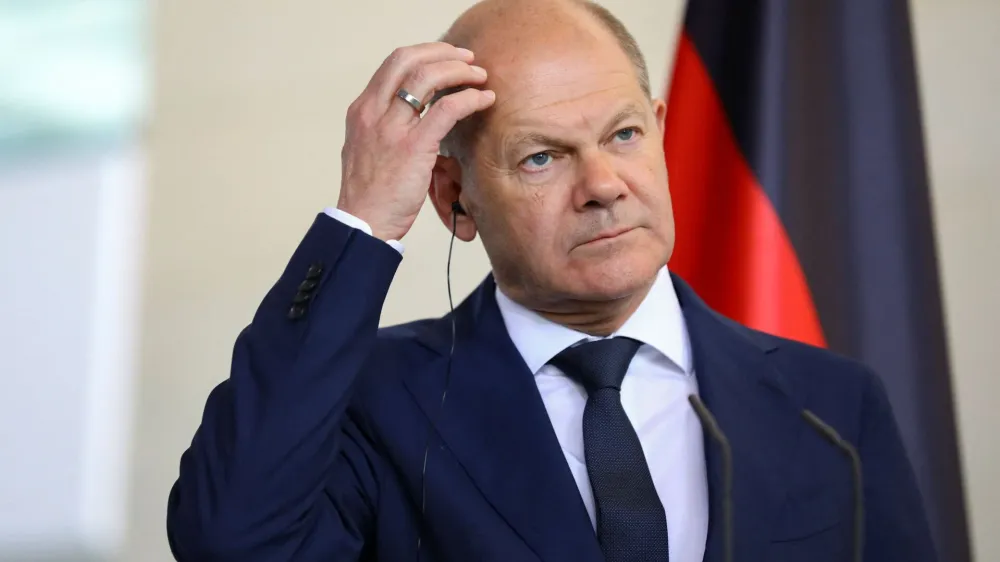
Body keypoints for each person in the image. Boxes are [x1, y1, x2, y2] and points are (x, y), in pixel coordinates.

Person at [165, 1, 937, 560]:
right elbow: (233, 540)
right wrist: (363, 217)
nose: (603, 183)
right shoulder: (375, 406)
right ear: (453, 197)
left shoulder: (832, 408)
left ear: (662, 133)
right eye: (542, 156)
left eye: (624, 135)